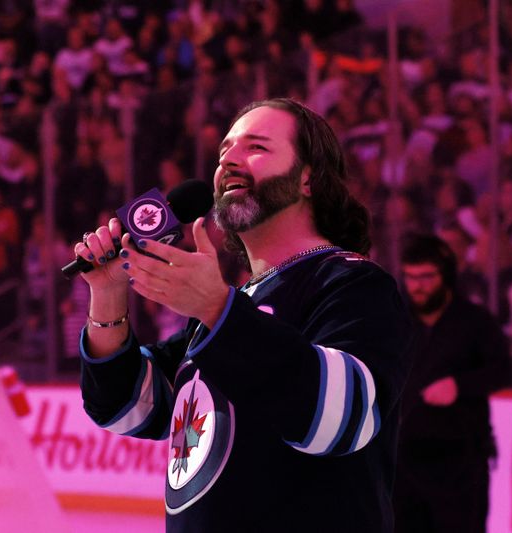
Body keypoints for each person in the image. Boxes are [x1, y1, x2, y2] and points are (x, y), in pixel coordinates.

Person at [74, 98, 412, 532]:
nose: (229, 160)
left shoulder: (354, 284)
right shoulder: (230, 308)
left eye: (256, 147)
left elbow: (341, 421)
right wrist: (108, 294)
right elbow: (128, 410)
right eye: (224, 152)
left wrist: (217, 308)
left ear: (308, 178)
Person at [394, 234, 512, 533]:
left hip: (460, 461)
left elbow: (502, 370)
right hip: (405, 459)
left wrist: (460, 385)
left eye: (426, 277)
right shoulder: (397, 321)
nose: (417, 286)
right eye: (410, 277)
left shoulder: (475, 322)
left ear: (444, 274)